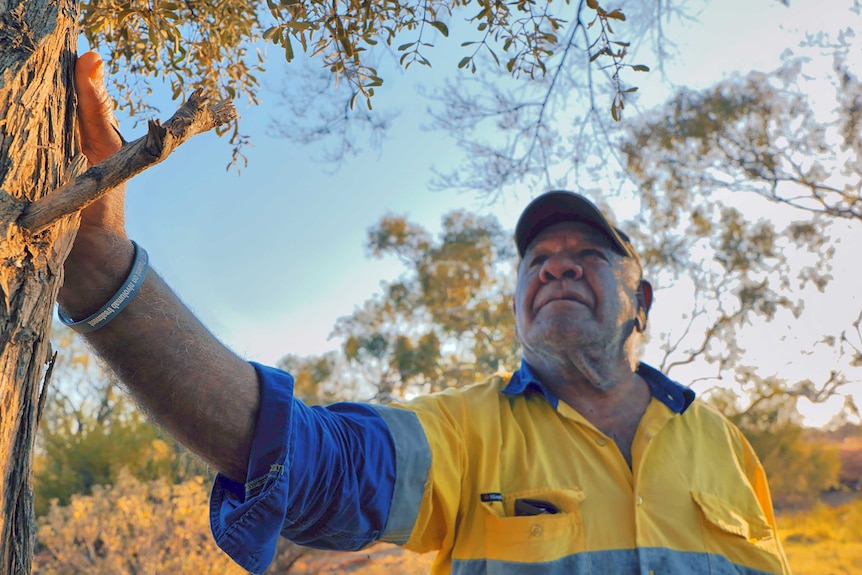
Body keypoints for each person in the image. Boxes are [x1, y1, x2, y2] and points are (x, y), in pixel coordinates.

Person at [63, 52, 791, 575]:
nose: (557, 265)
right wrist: (107, 278)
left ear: (645, 298)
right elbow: (318, 461)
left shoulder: (724, 445)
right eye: (537, 260)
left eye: (589, 255)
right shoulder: (467, 433)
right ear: (516, 302)